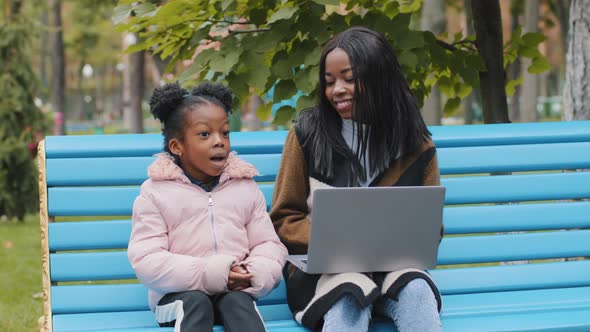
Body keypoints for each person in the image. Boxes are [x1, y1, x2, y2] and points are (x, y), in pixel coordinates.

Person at [270, 26, 443, 331]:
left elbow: (430, 228)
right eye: (329, 81)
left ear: (380, 78)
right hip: (324, 276)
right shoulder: (307, 135)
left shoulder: (416, 144)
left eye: (349, 79)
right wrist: (333, 242)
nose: (337, 89)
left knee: (417, 291)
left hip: (393, 269)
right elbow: (284, 217)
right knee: (349, 295)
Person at [128, 82, 287, 331]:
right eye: (205, 134)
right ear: (177, 146)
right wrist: (212, 274)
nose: (219, 142)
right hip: (178, 296)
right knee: (196, 302)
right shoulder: (155, 193)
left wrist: (253, 273)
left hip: (234, 290)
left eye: (224, 133)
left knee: (238, 303)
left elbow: (267, 244)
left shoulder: (244, 188)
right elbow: (147, 259)